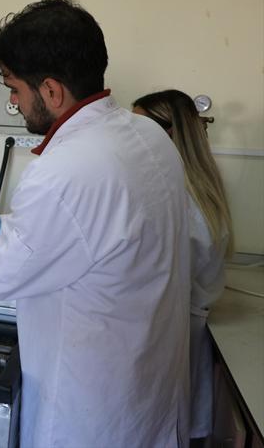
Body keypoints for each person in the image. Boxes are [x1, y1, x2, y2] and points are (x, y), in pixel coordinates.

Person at [0, 0, 192, 447]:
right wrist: (5, 226)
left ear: (51, 91)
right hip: (146, 393)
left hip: (88, 412)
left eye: (14, 89)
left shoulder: (62, 170)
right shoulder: (148, 136)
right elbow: (94, 228)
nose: (13, 102)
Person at [133, 89, 234, 442]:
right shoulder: (198, 191)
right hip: (185, 332)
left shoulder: (178, 200)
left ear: (169, 134)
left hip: (172, 336)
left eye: (139, 129)